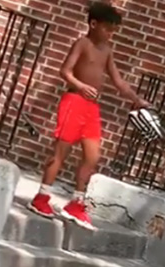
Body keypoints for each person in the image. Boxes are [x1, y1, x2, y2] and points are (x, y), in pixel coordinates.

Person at [27, 2, 148, 229]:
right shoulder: (82, 43)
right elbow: (65, 71)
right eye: (107, 29)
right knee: (60, 152)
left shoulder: (107, 51)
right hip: (74, 100)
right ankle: (41, 198)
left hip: (92, 108)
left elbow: (118, 80)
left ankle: (76, 203)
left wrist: (136, 99)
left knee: (92, 157)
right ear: (93, 24)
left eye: (114, 31)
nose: (111, 34)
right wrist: (80, 86)